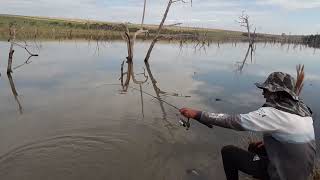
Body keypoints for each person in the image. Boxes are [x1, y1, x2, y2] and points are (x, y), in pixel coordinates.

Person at [180, 72, 315, 180]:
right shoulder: (302, 108)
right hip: (302, 172)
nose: (263, 93)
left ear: (276, 93)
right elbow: (293, 131)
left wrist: (198, 114)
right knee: (254, 148)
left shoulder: (274, 114)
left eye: (266, 90)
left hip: (285, 175)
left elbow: (233, 121)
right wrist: (274, 141)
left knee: (228, 152)